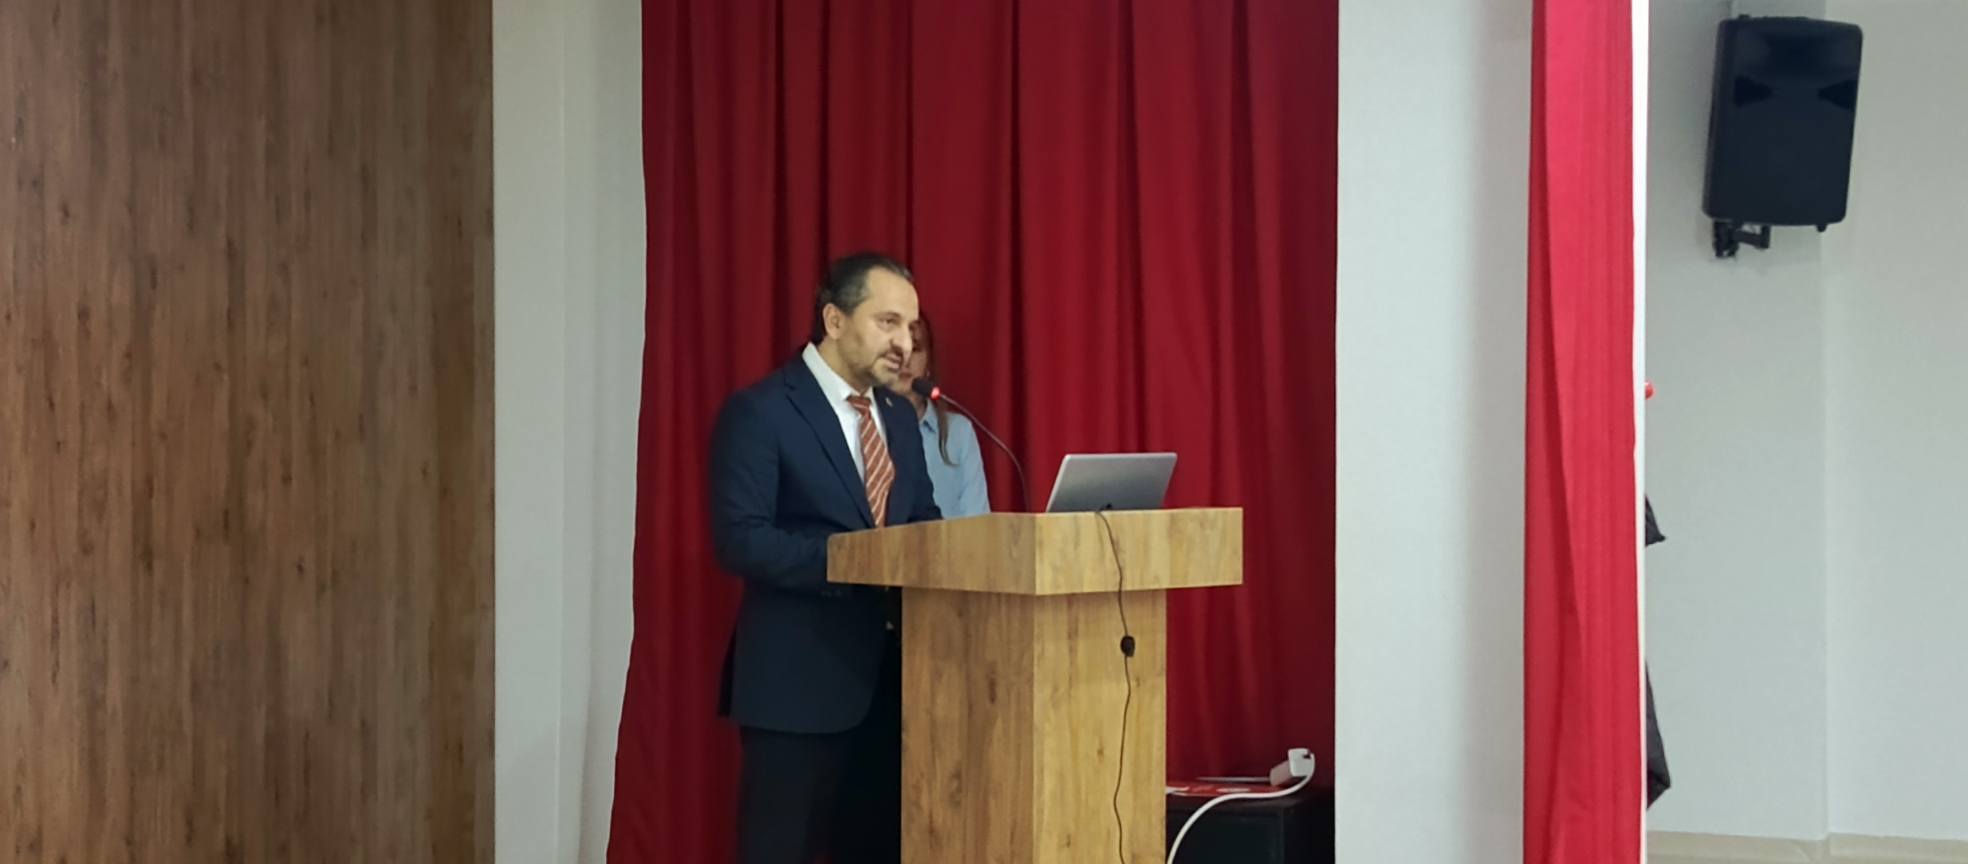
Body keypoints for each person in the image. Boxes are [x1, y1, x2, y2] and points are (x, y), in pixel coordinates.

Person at [709, 252, 941, 864]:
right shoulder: (762, 411)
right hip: (797, 688)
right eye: (888, 322)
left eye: (910, 327)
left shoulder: (898, 416)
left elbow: (922, 522)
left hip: (892, 688)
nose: (904, 343)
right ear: (834, 320)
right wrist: (854, 561)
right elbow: (742, 539)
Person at [890, 313, 992, 519]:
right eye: (897, 350)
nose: (906, 359)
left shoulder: (959, 433)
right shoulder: (866, 425)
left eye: (916, 348)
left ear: (929, 362)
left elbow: (976, 521)